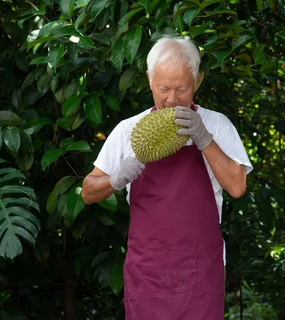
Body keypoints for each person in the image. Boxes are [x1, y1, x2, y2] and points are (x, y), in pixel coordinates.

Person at [81, 36, 252, 319]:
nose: (172, 99)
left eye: (182, 88)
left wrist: (204, 139)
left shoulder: (217, 125)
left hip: (201, 272)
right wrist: (116, 179)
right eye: (163, 88)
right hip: (147, 273)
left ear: (197, 80)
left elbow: (237, 186)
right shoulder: (129, 130)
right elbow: (88, 191)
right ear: (149, 80)